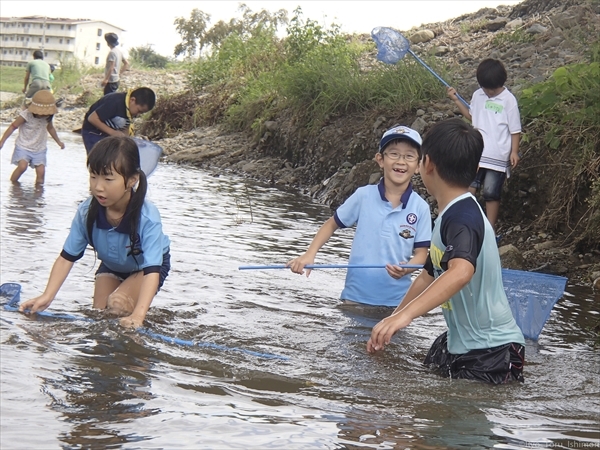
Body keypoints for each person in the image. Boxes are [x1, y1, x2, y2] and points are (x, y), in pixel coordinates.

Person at [366, 118, 525, 384]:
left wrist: (405, 317)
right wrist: (391, 320)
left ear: (426, 164)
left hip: (493, 351)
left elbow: (461, 271)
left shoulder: (463, 216)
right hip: (459, 343)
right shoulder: (447, 217)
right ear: (476, 168)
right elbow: (428, 276)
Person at [19, 136, 171, 329]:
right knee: (99, 317)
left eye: (108, 179)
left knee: (118, 303)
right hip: (112, 264)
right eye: (93, 176)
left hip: (148, 268)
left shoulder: (147, 217)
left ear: (132, 180)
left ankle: (139, 331)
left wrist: (139, 316)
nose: (98, 186)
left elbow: (151, 271)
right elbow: (66, 258)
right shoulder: (86, 212)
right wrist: (47, 296)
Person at [287, 125, 431, 307]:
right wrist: (310, 254)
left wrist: (407, 268)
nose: (401, 161)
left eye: (409, 156)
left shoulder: (421, 208)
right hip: (354, 298)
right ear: (380, 160)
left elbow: (422, 254)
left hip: (397, 304)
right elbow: (331, 224)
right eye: (393, 154)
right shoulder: (363, 196)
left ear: (418, 165)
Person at [447, 58, 521, 234]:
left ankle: (489, 229)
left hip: (498, 154)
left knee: (490, 192)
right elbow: (472, 116)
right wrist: (456, 100)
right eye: (485, 88)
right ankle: (463, 222)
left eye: (492, 89)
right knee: (468, 188)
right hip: (477, 151)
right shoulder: (478, 95)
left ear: (501, 83)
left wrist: (515, 151)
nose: (488, 92)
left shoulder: (508, 100)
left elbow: (515, 129)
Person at [0, 89, 65, 185]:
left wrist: (59, 142)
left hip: (39, 148)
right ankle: (13, 186)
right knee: (22, 166)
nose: (44, 114)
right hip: (23, 145)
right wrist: (2, 141)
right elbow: (12, 127)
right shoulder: (26, 115)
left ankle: (38, 195)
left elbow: (50, 129)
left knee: (41, 172)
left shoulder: (48, 117)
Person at [81, 87, 156, 153]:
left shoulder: (130, 109)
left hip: (109, 133)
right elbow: (92, 118)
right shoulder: (114, 102)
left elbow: (126, 127)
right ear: (132, 100)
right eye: (139, 111)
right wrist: (113, 132)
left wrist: (126, 140)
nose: (138, 114)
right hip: (93, 132)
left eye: (142, 113)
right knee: (98, 157)